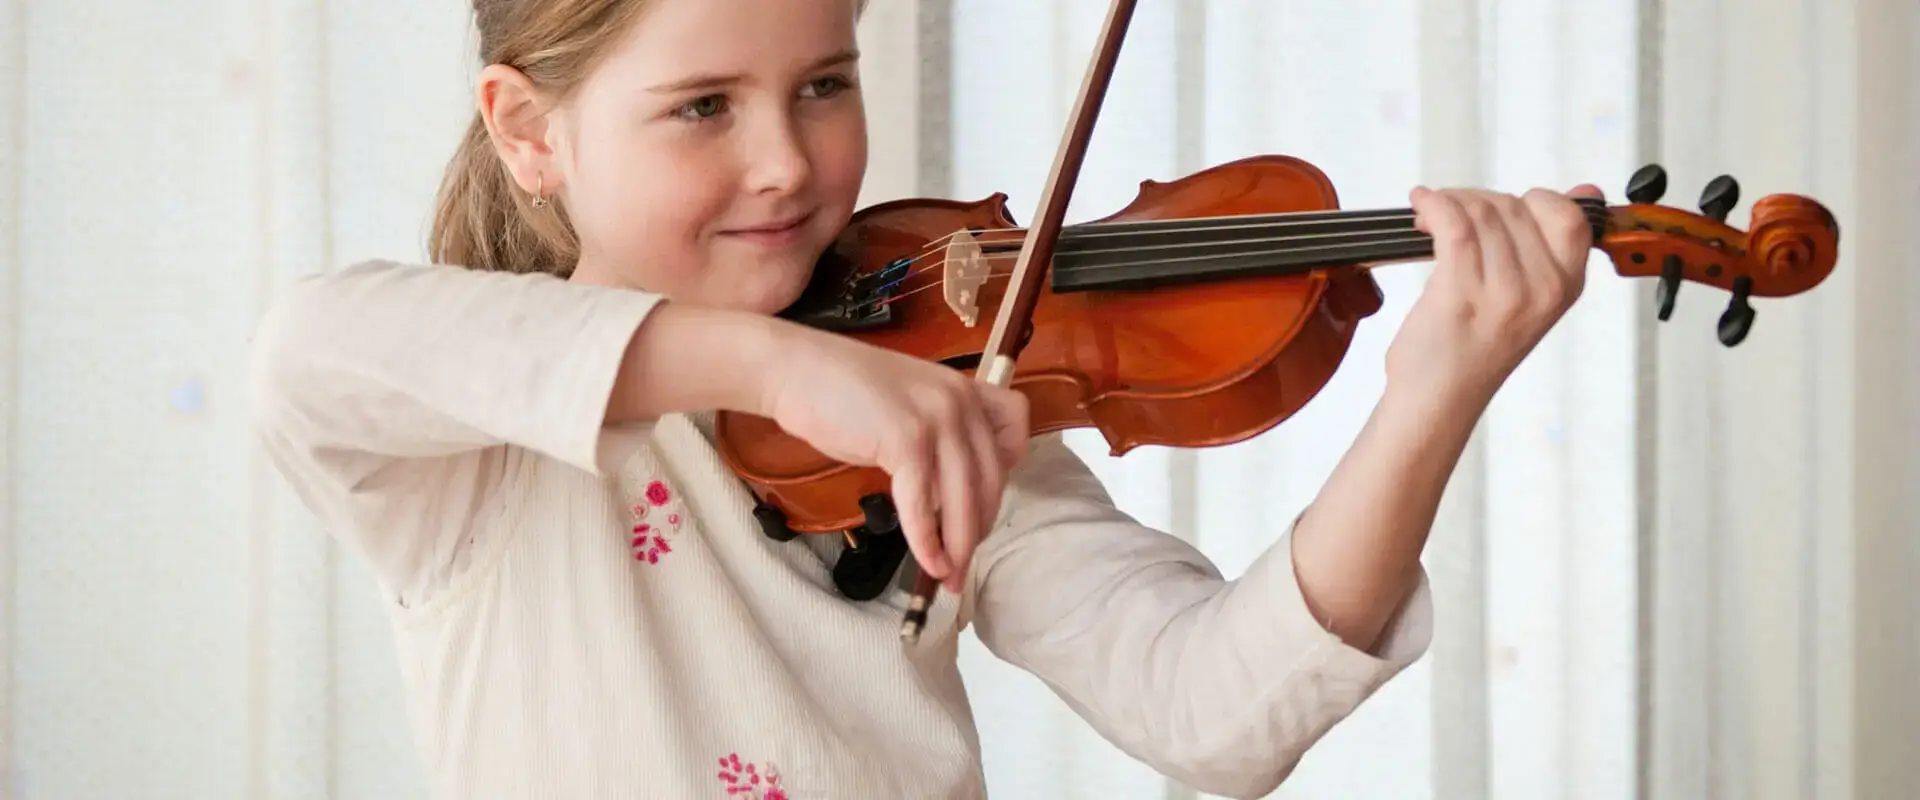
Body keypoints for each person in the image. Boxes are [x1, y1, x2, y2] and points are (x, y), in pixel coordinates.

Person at [247, 0, 1603, 797]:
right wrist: (779, 363)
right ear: (530, 133)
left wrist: (1432, 393)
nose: (788, 161)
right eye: (704, 107)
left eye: (824, 84)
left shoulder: (946, 390)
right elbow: (310, 347)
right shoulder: (478, 450)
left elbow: (1210, 712)